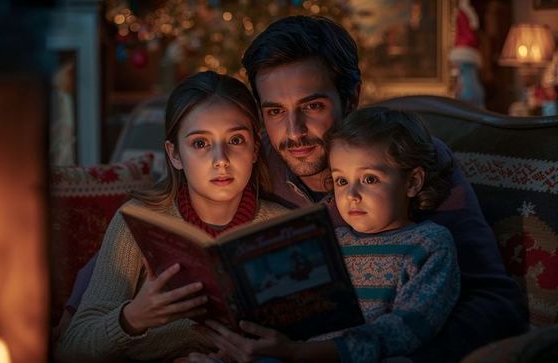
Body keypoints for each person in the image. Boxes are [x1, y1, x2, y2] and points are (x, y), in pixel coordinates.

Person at [194, 15, 527, 362]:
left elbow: (495, 302)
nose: (294, 132)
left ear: (351, 98)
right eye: (275, 111)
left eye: (312, 106)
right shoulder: (247, 163)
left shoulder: (406, 161)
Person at [194, 106, 462, 362]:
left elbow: (405, 331)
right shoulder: (332, 241)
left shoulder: (428, 244)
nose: (351, 195)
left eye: (369, 179)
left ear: (413, 182)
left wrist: (299, 353)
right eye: (341, 181)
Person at [54, 71, 288, 362]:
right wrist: (132, 318)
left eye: (236, 140)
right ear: (175, 154)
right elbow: (71, 349)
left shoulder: (283, 225)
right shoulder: (138, 221)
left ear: (255, 148)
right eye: (200, 144)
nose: (221, 160)